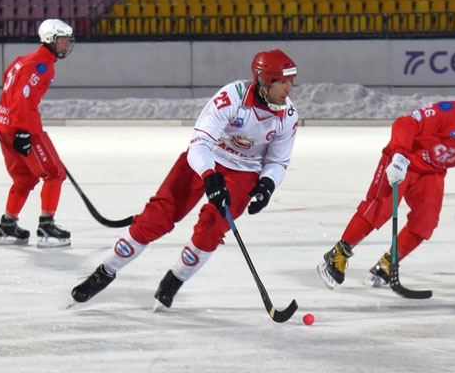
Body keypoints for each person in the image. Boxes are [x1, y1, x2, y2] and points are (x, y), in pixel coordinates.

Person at [71, 49, 299, 309]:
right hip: (205, 159)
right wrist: (210, 176)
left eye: (291, 81)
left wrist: (267, 185)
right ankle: (105, 272)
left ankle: (174, 280)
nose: (288, 88)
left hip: (244, 171)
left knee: (212, 226)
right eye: (282, 82)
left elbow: (277, 162)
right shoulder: (231, 97)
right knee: (157, 217)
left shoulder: (288, 117)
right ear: (263, 81)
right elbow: (200, 142)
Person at [317, 78, 455, 290]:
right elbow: (405, 123)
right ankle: (338, 254)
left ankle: (387, 264)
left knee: (425, 222)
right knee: (379, 208)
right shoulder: (450, 111)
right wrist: (399, 156)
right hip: (404, 159)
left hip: (432, 172)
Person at [0, 19, 75, 248]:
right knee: (54, 174)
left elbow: (9, 88)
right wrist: (23, 132)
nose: (66, 44)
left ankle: (7, 226)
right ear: (50, 40)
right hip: (24, 127)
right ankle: (46, 226)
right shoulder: (41, 64)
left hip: (4, 125)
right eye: (63, 39)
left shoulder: (23, 60)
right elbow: (23, 98)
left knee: (24, 178)